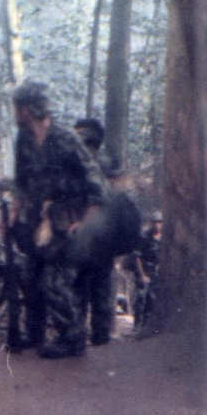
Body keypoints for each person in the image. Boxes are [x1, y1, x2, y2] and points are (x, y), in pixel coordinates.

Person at [9, 81, 107, 358]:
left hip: (67, 218)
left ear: (26, 110)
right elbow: (21, 181)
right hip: (36, 220)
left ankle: (72, 337)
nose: (15, 113)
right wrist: (13, 213)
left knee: (55, 279)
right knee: (32, 275)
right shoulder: (24, 139)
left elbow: (96, 184)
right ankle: (34, 333)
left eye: (17, 108)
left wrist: (85, 223)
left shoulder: (66, 139)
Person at [72, 118, 114, 346]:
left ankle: (88, 335)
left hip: (94, 233)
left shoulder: (92, 164)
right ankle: (96, 336)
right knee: (95, 287)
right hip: (96, 234)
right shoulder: (104, 163)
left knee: (88, 286)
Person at [129, 210, 162, 326]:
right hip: (144, 270)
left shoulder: (164, 237)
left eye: (159, 222)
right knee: (140, 298)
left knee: (152, 299)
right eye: (155, 222)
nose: (157, 225)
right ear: (151, 223)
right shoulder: (144, 236)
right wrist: (142, 275)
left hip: (156, 271)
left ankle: (147, 325)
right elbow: (137, 257)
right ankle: (137, 325)